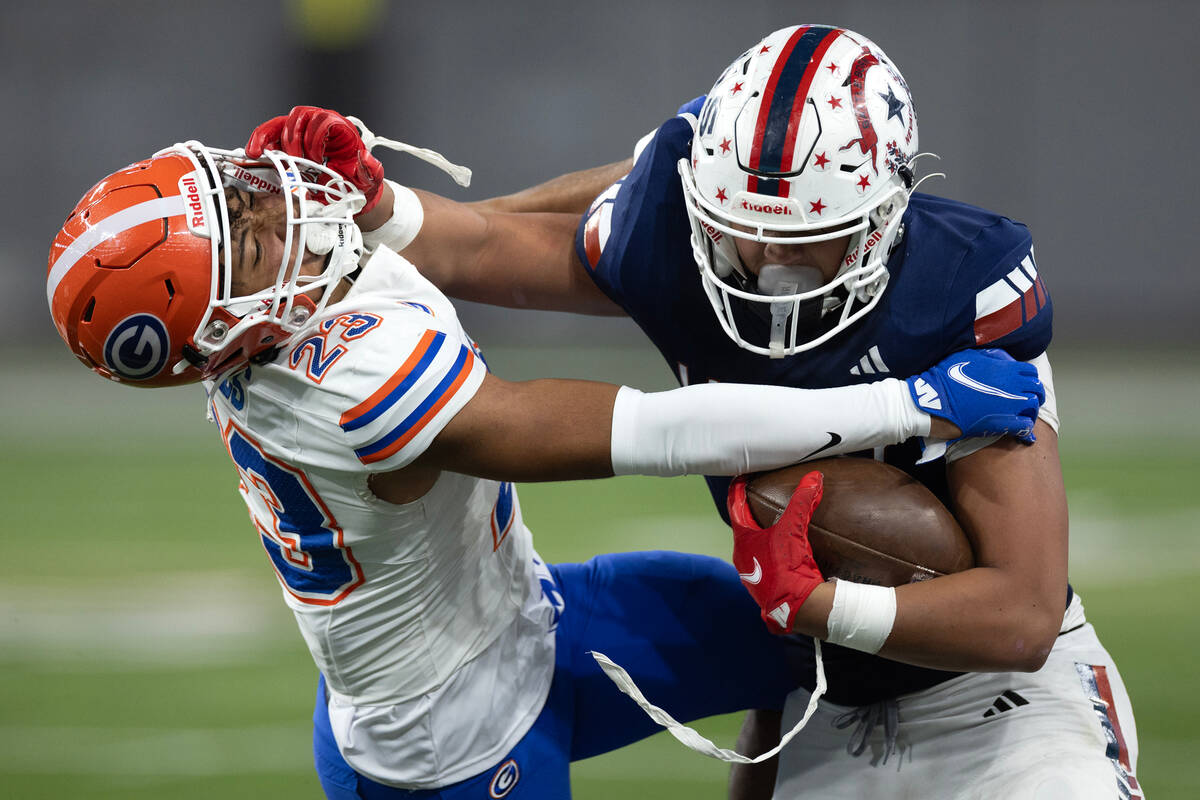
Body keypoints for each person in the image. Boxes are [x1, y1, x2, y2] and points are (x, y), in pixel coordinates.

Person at [277, 23, 1142, 800]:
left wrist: (822, 606)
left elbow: (1024, 616)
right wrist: (371, 212)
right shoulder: (675, 233)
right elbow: (488, 247)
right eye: (738, 232)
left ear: (883, 216)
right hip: (821, 699)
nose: (763, 265)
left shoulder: (963, 290)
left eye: (802, 240)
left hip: (997, 704)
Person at [45, 132, 1042, 797]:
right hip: (453, 744)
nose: (283, 214)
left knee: (794, 640)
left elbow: (504, 233)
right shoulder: (336, 383)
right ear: (222, 330)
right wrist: (901, 402)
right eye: (255, 242)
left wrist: (388, 205)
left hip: (527, 622)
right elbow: (646, 431)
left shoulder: (298, 307)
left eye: (250, 197)